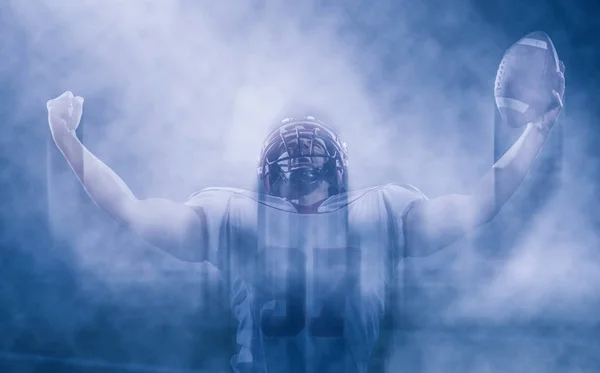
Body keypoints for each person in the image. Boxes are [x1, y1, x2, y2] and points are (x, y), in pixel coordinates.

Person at [46, 62, 565, 373]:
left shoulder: (232, 215)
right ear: (337, 169)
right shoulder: (381, 211)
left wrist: (68, 142)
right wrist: (535, 132)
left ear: (267, 173)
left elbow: (129, 210)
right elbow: (481, 204)